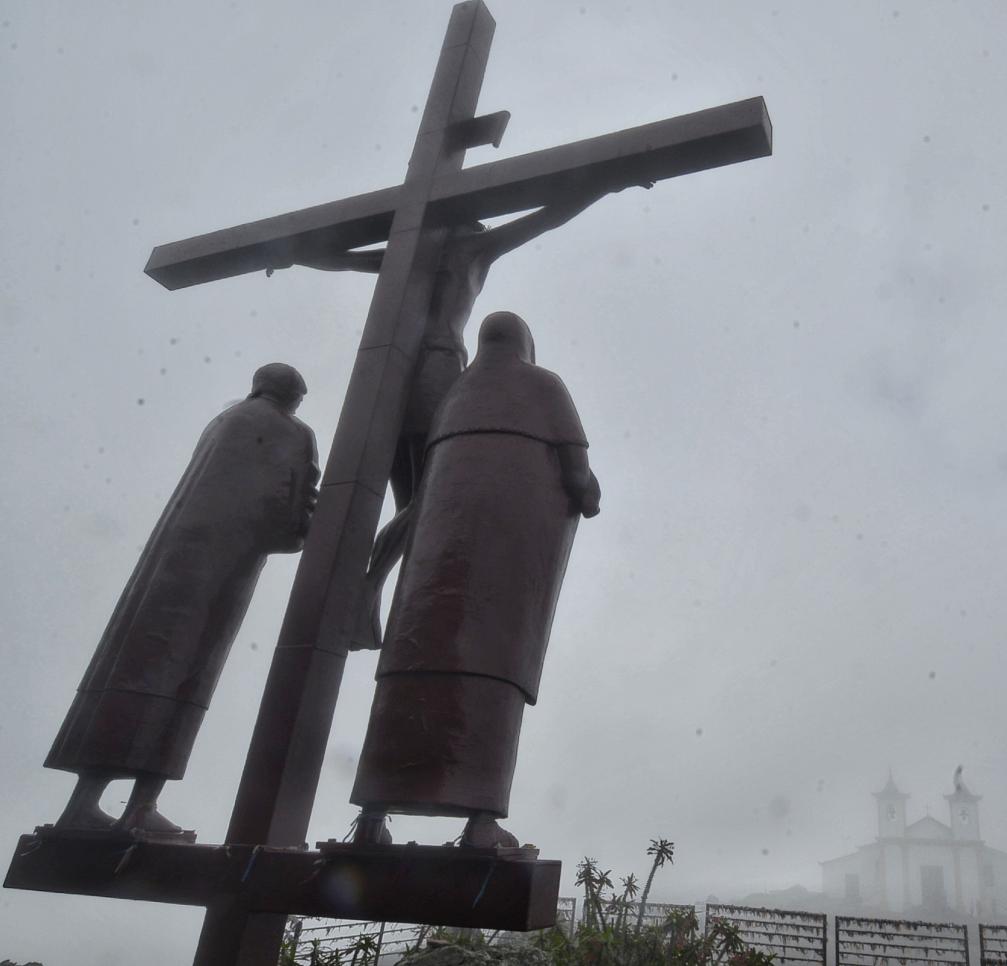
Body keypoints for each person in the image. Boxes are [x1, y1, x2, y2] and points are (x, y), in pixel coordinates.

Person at [274, 185, 638, 647]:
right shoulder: (472, 248)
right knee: (433, 493)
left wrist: (291, 253)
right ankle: (367, 584)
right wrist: (607, 181)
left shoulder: (405, 251)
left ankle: (371, 588)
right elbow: (547, 216)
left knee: (417, 499)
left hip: (385, 376)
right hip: (436, 366)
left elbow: (338, 258)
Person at [349, 312, 599, 848]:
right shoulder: (543, 385)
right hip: (505, 573)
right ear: (525, 345)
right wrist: (585, 493)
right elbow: (580, 479)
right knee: (491, 673)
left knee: (410, 675)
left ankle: (372, 815)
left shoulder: (454, 395)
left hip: (429, 580)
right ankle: (480, 822)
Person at [45, 364, 319, 835]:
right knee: (189, 676)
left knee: (131, 667)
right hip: (221, 571)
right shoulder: (293, 432)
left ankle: (83, 803)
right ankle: (141, 805)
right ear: (294, 397)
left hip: (167, 567)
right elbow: (291, 507)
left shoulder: (224, 420)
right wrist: (312, 526)